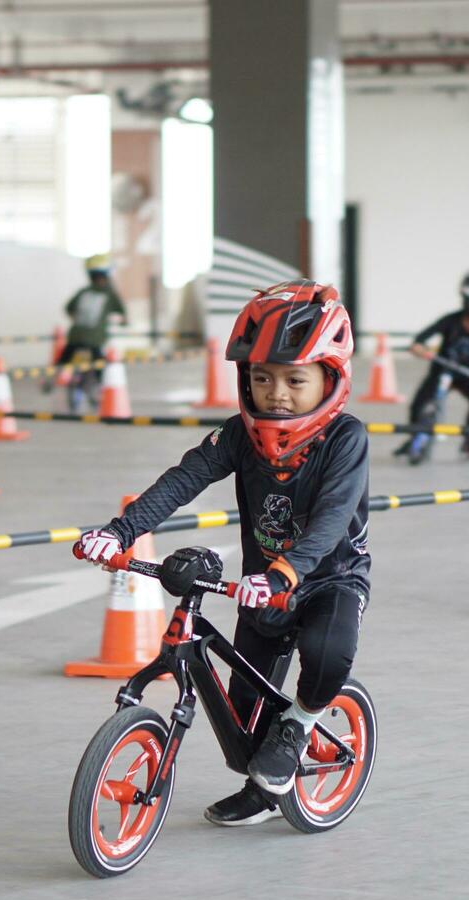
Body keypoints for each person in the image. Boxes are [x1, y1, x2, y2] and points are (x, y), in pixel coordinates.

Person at [76, 280, 370, 827]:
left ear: (331, 379)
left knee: (328, 654)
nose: (276, 393)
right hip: (261, 586)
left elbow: (332, 518)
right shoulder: (239, 435)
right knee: (241, 708)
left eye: (294, 380)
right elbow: (183, 479)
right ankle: (262, 790)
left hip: (328, 579)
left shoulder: (345, 439)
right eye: (262, 378)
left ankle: (303, 722)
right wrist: (121, 531)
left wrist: (287, 571)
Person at [399, 267, 469, 460]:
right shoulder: (451, 320)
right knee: (417, 404)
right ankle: (413, 437)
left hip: (465, 375)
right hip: (441, 371)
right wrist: (419, 345)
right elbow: (424, 335)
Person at [46, 254, 127, 392]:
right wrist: (122, 322)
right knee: (99, 363)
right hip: (95, 339)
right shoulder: (110, 294)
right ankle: (102, 387)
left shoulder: (83, 291)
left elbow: (68, 309)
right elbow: (123, 315)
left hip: (75, 335)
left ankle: (50, 380)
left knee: (64, 359)